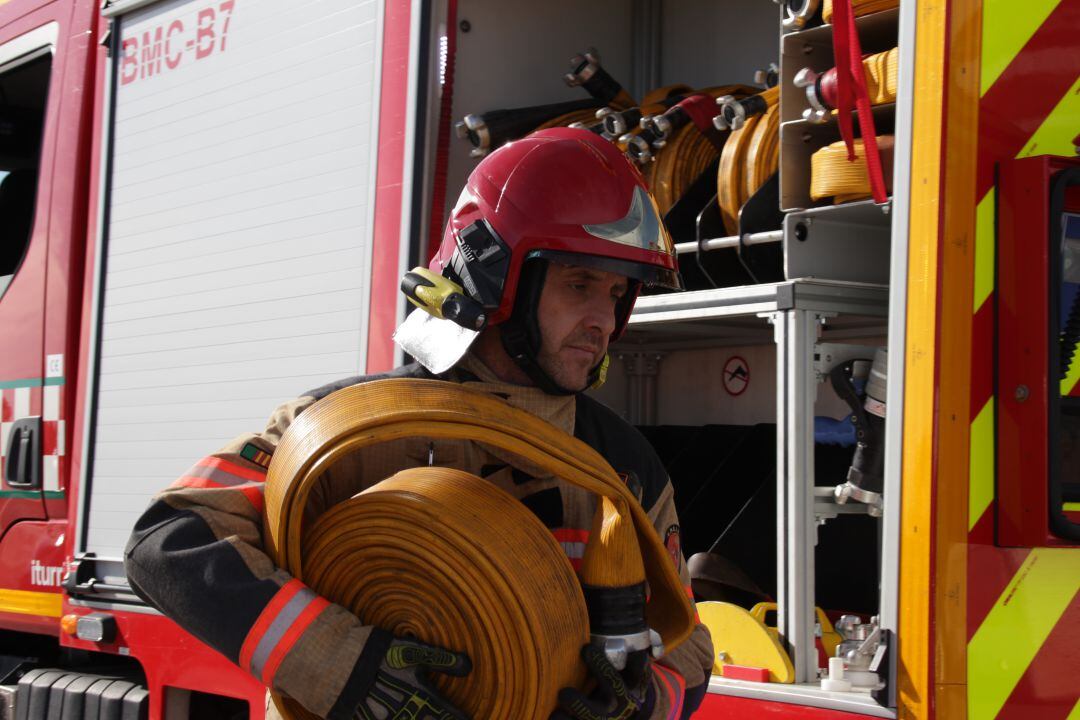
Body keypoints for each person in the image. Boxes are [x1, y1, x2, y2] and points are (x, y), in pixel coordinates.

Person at [124, 127, 715, 720]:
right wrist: (345, 668)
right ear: (496, 278)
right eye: (579, 283)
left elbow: (689, 651)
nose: (602, 322)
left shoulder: (623, 467)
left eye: (616, 293)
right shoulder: (347, 431)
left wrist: (637, 707)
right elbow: (169, 540)